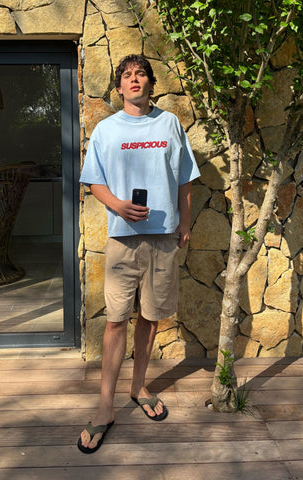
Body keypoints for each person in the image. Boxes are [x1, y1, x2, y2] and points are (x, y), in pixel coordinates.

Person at [77, 54, 200, 454]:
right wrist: (117, 205)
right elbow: (93, 180)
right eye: (127, 75)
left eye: (141, 74)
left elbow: (184, 179)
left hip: (163, 239)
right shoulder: (106, 129)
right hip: (123, 239)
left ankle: (139, 387)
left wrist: (185, 222)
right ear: (119, 88)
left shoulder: (169, 124)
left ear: (150, 83)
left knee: (149, 317)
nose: (134, 79)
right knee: (115, 322)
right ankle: (105, 407)